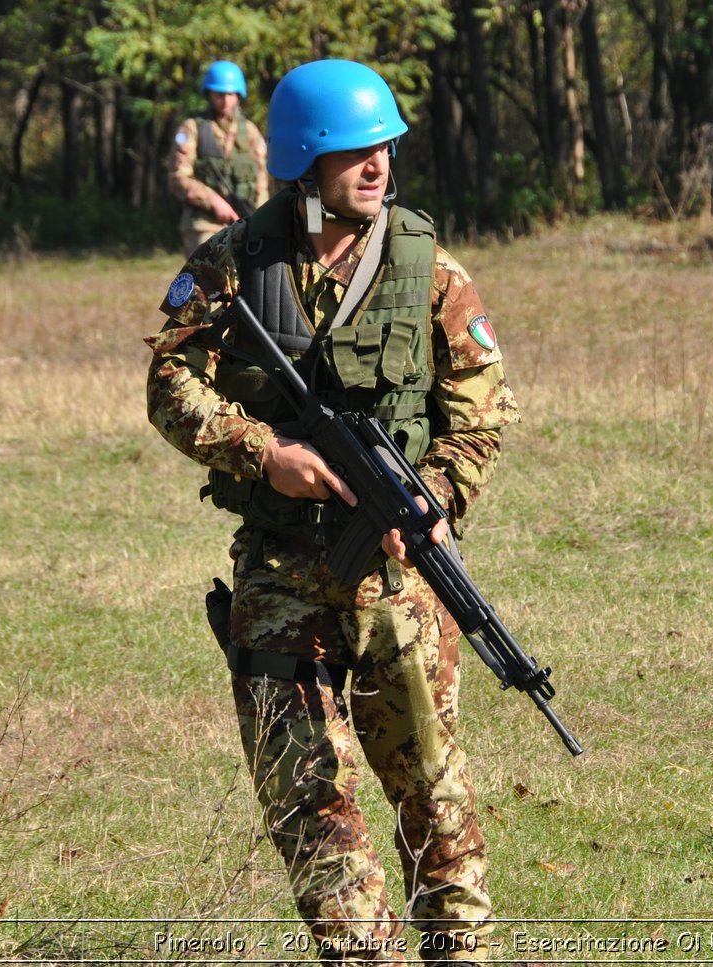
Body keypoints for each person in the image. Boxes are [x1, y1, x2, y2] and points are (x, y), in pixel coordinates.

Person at [145, 59, 518, 963]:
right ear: (307, 161)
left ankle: (460, 953)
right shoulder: (236, 262)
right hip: (278, 571)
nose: (378, 164)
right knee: (304, 793)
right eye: (356, 150)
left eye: (384, 145)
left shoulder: (431, 270)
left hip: (399, 579)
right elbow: (169, 379)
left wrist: (433, 497)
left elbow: (483, 406)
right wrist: (264, 454)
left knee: (432, 788)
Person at [171, 59, 271, 255]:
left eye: (230, 94)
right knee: (207, 278)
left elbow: (261, 181)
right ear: (209, 94)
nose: (225, 100)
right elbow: (178, 177)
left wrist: (261, 219)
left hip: (244, 221)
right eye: (219, 94)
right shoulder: (193, 128)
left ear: (238, 95)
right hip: (203, 223)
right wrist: (214, 201)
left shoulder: (249, 132)